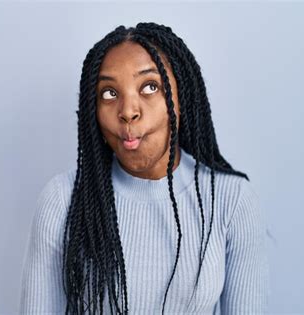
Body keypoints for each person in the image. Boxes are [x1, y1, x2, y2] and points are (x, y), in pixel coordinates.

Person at [19, 22, 270, 314]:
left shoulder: (231, 201)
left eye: (150, 87)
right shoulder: (63, 200)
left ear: (181, 100)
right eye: (109, 93)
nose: (127, 111)